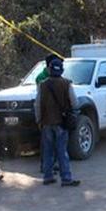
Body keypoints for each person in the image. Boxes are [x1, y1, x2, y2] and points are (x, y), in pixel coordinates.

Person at [34, 59, 81, 187]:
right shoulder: (66, 84)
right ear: (61, 70)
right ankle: (66, 178)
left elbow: (37, 105)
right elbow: (75, 103)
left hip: (46, 122)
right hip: (61, 122)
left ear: (49, 69)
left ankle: (47, 177)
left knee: (48, 151)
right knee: (62, 151)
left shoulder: (42, 85)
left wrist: (39, 120)